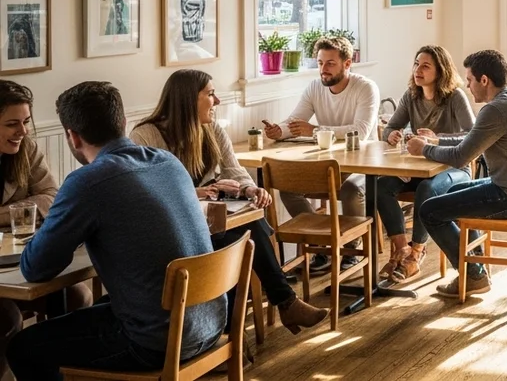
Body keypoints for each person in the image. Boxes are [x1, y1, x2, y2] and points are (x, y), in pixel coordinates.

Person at [8, 81, 224, 380]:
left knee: (24, 347)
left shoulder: (87, 182)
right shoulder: (168, 162)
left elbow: (36, 268)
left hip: (157, 341)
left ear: (72, 136)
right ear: (122, 122)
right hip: (209, 323)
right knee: (91, 311)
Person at [130, 70, 328, 334]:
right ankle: (260, 317)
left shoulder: (211, 129)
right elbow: (150, 193)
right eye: (210, 94)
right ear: (188, 99)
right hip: (173, 230)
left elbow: (233, 169)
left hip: (208, 221)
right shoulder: (145, 137)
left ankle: (236, 330)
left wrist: (250, 189)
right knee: (240, 241)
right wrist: (200, 192)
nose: (218, 100)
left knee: (249, 229)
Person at [412, 50, 507, 299]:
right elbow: (472, 140)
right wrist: (438, 139)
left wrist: (425, 149)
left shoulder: (495, 110)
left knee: (429, 211)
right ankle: (476, 269)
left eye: (469, 80)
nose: (467, 85)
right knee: (453, 192)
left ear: (484, 80)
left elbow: (461, 157)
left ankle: (473, 274)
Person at [262, 35, 378, 272]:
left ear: (347, 63)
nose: (323, 70)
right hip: (328, 164)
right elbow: (296, 121)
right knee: (288, 188)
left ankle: (350, 249)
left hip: (365, 164)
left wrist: (316, 130)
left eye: (330, 64)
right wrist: (279, 131)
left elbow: (362, 132)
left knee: (351, 190)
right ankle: (320, 247)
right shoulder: (315, 87)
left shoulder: (365, 87)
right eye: (320, 63)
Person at [0, 81, 92, 379]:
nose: (23, 131)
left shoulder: (27, 149)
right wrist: (22, 209)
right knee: (6, 318)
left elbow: (51, 196)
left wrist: (8, 212)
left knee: (77, 296)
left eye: (26, 121)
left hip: (18, 263)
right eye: (12, 124)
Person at [376, 46, 475, 282]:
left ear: (440, 71)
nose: (417, 70)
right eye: (416, 64)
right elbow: (390, 127)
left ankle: (417, 254)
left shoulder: (455, 97)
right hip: (420, 168)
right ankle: (402, 248)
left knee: (426, 189)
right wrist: (390, 135)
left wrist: (437, 139)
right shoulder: (411, 95)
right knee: (380, 186)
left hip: (455, 169)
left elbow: (472, 135)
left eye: (425, 66)